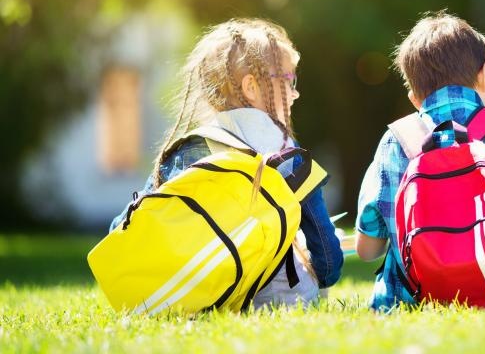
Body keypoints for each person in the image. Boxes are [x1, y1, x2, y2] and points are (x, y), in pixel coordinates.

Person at [110, 18, 343, 307]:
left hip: (207, 296)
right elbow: (328, 257)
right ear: (251, 87)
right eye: (289, 80)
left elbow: (125, 226)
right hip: (283, 300)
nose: (296, 93)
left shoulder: (193, 147)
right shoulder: (288, 155)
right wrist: (323, 275)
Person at [355, 12, 485, 310]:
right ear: (483, 73)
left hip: (411, 302)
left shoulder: (395, 141)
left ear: (414, 98)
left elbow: (368, 249)